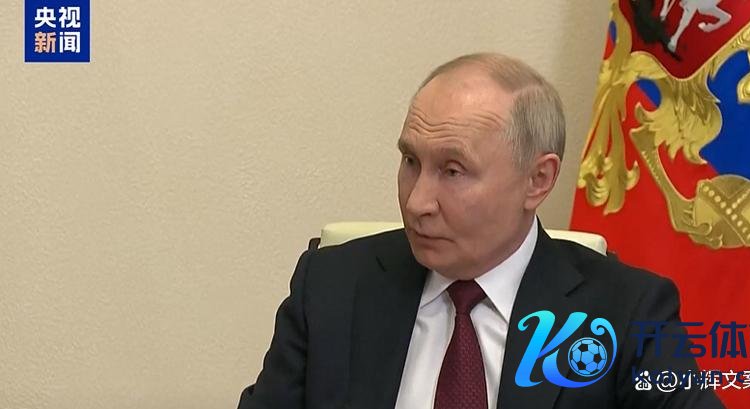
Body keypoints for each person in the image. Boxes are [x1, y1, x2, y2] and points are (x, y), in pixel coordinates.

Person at [237, 53, 724, 409]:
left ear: (538, 180)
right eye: (411, 162)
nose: (417, 202)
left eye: (453, 171)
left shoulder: (626, 313)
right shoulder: (330, 287)